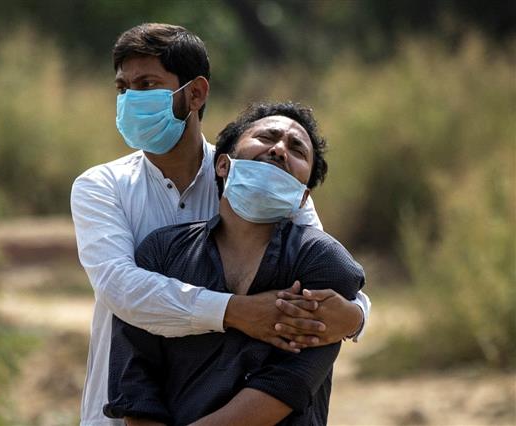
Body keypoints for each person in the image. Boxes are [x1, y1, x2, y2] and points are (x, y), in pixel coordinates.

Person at [70, 23, 371, 426]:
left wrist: (355, 317)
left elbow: (325, 270)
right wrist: (238, 311)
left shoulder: (257, 177)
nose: (130, 100)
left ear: (195, 93)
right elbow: (121, 290)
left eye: (147, 85)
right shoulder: (101, 187)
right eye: (123, 88)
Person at [104, 102, 365, 425]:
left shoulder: (321, 262)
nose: (280, 150)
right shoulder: (162, 252)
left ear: (303, 197)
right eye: (268, 137)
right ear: (223, 166)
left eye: (297, 149)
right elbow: (135, 379)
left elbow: (287, 383)